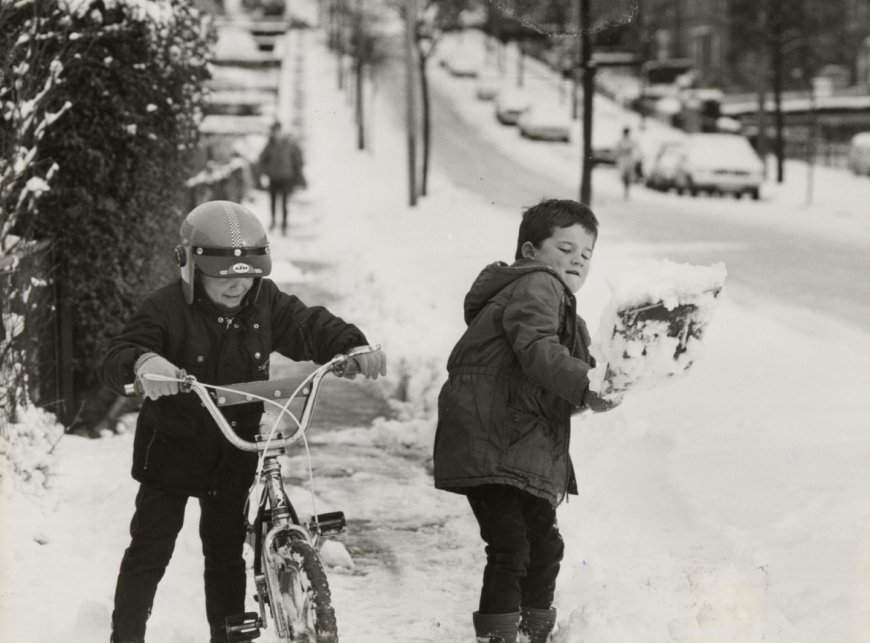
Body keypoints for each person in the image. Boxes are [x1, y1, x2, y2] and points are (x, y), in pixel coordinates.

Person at [101, 200, 387, 643]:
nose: (237, 288)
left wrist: (350, 346)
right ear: (191, 270)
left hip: (232, 452)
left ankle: (228, 637)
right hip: (172, 453)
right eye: (223, 278)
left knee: (225, 553)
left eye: (247, 276)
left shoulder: (265, 302)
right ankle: (126, 635)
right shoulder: (165, 308)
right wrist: (143, 363)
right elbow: (121, 352)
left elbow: (309, 324)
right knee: (150, 551)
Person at [432, 199, 619, 643]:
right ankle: (501, 638)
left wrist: (600, 385)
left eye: (586, 254)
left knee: (541, 545)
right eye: (566, 247)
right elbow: (538, 352)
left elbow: (558, 375)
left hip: (515, 442)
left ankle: (533, 633)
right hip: (494, 437)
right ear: (531, 251)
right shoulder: (538, 284)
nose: (577, 260)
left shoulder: (562, 308)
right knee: (512, 545)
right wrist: (586, 384)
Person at [257, 121, 306, 234]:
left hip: (286, 178)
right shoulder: (269, 145)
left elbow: (297, 160)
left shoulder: (289, 144)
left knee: (284, 203)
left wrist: (297, 176)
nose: (277, 133)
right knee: (273, 202)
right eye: (275, 131)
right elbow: (262, 160)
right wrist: (265, 173)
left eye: (278, 131)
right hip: (273, 178)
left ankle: (284, 224)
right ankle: (273, 221)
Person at [615, 127, 640, 200]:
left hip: (629, 161)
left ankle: (627, 191)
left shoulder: (631, 141)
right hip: (622, 161)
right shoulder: (620, 141)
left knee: (628, 177)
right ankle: (625, 190)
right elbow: (617, 151)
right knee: (623, 177)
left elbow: (636, 149)